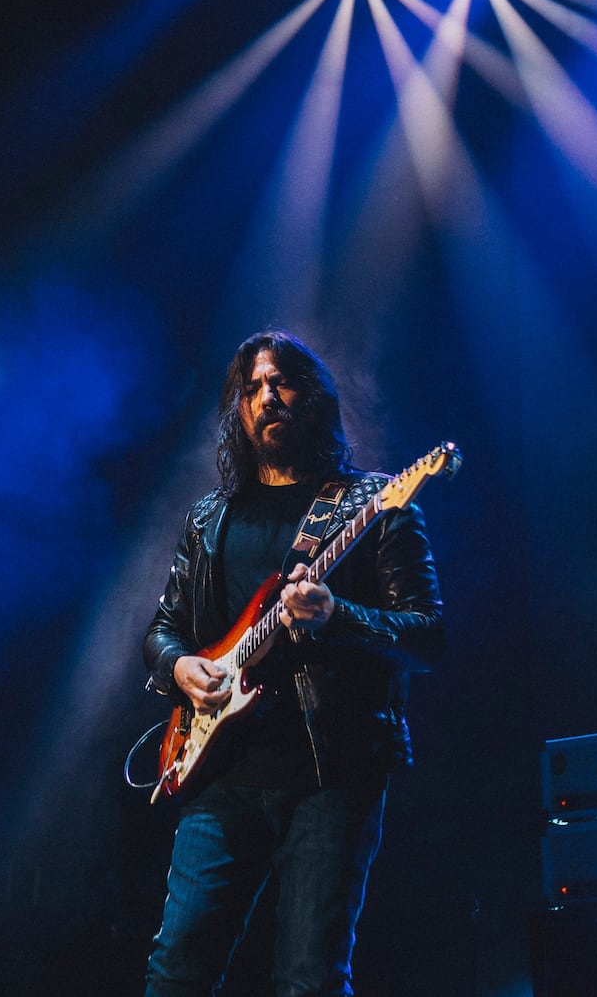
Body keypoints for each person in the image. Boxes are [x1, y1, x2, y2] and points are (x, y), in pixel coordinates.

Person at [141, 329, 446, 997]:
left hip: (331, 772)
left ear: (312, 398)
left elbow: (426, 636)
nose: (266, 396)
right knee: (176, 970)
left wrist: (336, 614)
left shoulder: (375, 505)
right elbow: (164, 628)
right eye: (250, 388)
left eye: (280, 382)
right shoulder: (209, 518)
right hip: (219, 774)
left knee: (308, 977)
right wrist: (182, 666)